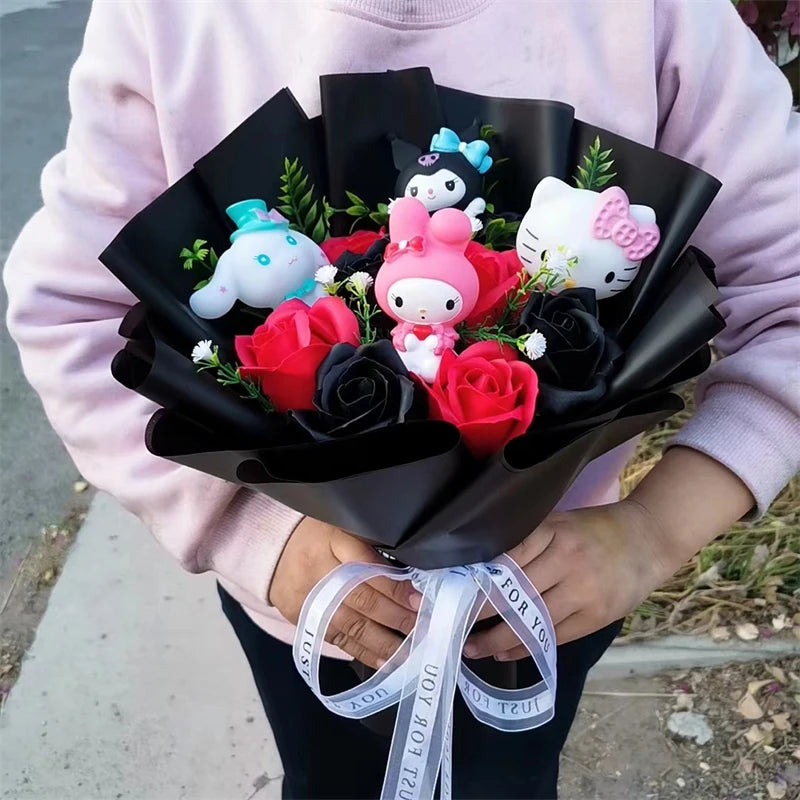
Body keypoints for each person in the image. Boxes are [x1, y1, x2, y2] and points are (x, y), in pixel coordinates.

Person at [4, 1, 798, 797]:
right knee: (328, 778)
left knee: (511, 779)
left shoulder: (656, 17)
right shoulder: (169, 18)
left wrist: (656, 530)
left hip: (553, 601)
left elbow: (788, 296)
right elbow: (71, 312)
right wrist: (252, 533)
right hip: (305, 612)